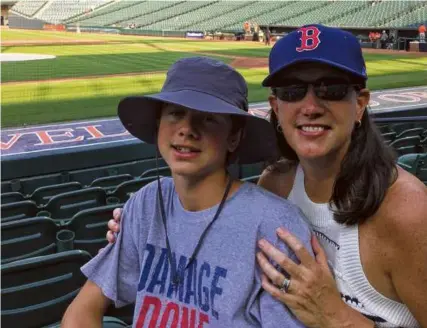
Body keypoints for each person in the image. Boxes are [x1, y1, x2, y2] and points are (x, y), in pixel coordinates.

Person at [107, 25, 427, 328]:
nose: (310, 106)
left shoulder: (407, 211)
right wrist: (149, 228)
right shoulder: (276, 183)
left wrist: (337, 316)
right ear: (275, 106)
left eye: (332, 89)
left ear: (359, 105)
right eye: (292, 91)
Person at [62, 57, 313, 328]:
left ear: (234, 137)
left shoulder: (277, 227)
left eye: (207, 119)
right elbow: (80, 312)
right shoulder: (146, 202)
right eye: (175, 113)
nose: (186, 129)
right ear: (159, 124)